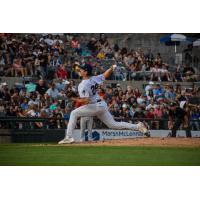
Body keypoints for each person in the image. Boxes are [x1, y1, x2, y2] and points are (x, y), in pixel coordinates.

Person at [58, 64, 150, 144]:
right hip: (101, 105)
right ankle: (138, 126)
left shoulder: (83, 85)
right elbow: (105, 75)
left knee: (74, 113)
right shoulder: (94, 78)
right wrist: (111, 68)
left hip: (95, 106)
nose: (79, 70)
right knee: (113, 125)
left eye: (81, 69)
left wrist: (72, 98)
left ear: (85, 72)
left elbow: (86, 101)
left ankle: (69, 137)